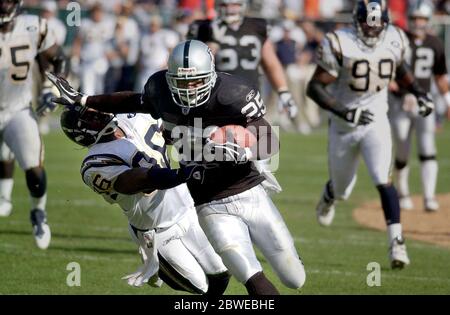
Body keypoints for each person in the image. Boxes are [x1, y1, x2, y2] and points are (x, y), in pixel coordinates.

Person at [47, 39, 306, 295]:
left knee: (294, 278)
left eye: (195, 81)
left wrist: (244, 151)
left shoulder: (233, 93)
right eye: (181, 83)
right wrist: (85, 99)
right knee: (240, 276)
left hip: (244, 191)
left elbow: (270, 141)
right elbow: (134, 106)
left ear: (210, 75)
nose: (189, 89)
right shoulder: (159, 93)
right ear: (170, 78)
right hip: (204, 203)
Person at [306, 0, 435, 269]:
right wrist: (344, 112)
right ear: (357, 21)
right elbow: (315, 87)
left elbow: (400, 69)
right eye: (367, 23)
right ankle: (330, 195)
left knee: (382, 179)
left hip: (376, 120)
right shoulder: (340, 42)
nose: (372, 29)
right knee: (343, 189)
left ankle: (397, 243)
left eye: (378, 24)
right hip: (344, 126)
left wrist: (419, 93)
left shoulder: (396, 38)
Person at [58, 105, 230, 294]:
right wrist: (187, 172)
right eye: (90, 117)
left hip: (187, 210)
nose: (100, 114)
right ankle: (156, 263)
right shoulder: (94, 164)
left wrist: (203, 143)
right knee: (201, 286)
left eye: (95, 111)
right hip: (157, 232)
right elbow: (142, 180)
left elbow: (171, 132)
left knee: (222, 272)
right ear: (82, 133)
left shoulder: (134, 117)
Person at [188, 0, 296, 194]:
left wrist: (284, 92)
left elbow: (270, 62)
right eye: (226, 4)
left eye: (235, 4)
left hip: (248, 103)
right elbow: (195, 65)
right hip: (215, 106)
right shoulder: (202, 28)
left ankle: (258, 194)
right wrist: (214, 39)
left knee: (259, 160)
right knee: (210, 160)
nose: (230, 9)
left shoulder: (257, 26)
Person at [0, 0, 66, 249]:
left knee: (33, 167)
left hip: (17, 109)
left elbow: (58, 58)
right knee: (4, 155)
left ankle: (38, 213)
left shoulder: (34, 27)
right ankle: (4, 198)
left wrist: (50, 87)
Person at [389, 0, 450, 212]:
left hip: (424, 101)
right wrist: (395, 87)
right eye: (414, 18)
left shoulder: (435, 43)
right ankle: (403, 191)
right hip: (401, 102)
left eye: (422, 18)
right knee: (402, 149)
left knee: (427, 147)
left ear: (428, 19)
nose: (418, 22)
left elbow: (440, 76)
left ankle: (429, 196)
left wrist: (448, 101)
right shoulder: (398, 39)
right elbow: (386, 70)